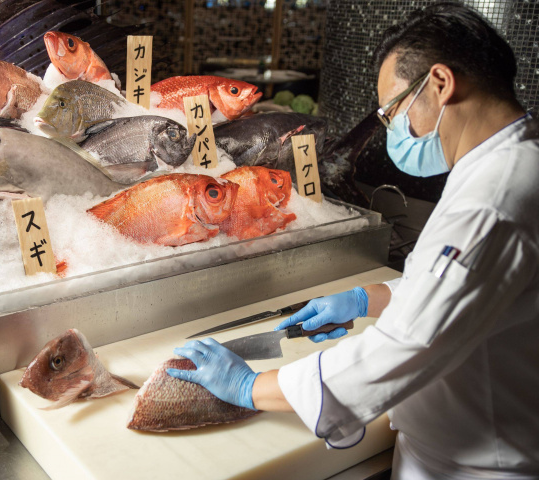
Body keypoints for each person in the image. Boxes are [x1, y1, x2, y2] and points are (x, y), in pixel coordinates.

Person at [168, 3, 539, 479]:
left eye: (394, 111)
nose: (395, 131)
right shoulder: (514, 162)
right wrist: (370, 298)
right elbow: (474, 288)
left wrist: (252, 386)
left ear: (442, 84)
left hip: (477, 464)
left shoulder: (494, 197)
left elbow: (408, 346)